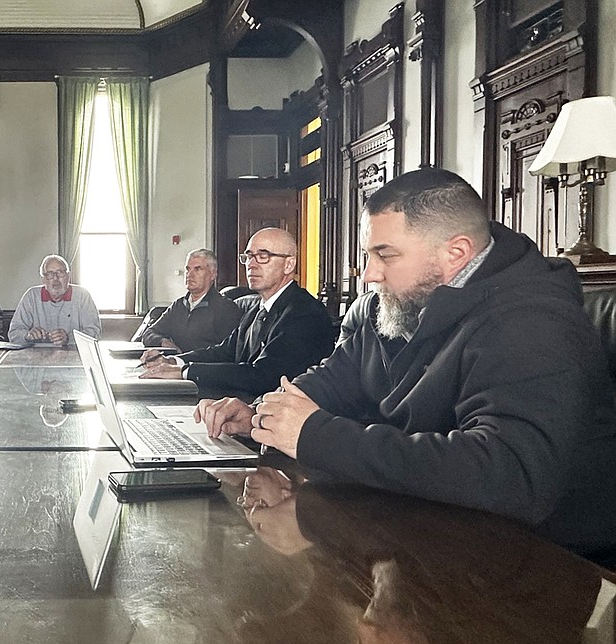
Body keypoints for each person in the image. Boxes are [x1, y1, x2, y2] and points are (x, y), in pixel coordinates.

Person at [196, 168, 616, 562]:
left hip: (534, 564)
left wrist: (314, 434)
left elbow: (510, 475)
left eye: (385, 255)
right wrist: (261, 415)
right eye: (367, 254)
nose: (368, 275)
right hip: (424, 529)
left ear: (456, 253)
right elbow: (332, 381)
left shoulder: (533, 322)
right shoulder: (406, 303)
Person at [139, 228, 334, 399]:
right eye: (248, 256)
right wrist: (173, 361)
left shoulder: (304, 313)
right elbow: (224, 352)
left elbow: (263, 377)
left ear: (289, 265)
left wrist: (185, 371)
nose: (251, 264)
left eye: (263, 256)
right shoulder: (256, 309)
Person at [139, 248, 244, 351]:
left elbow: (227, 353)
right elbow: (149, 333)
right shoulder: (179, 305)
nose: (189, 275)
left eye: (197, 269)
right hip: (174, 365)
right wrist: (163, 343)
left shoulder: (226, 309)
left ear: (213, 274)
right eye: (188, 269)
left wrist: (182, 361)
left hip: (203, 366)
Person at [7, 254, 100, 347]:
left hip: (74, 356)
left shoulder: (82, 295)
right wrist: (27, 336)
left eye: (60, 272)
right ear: (43, 280)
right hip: (37, 357)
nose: (55, 278)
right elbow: (13, 334)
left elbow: (94, 332)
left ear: (68, 276)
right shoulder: (32, 296)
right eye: (49, 274)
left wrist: (68, 338)